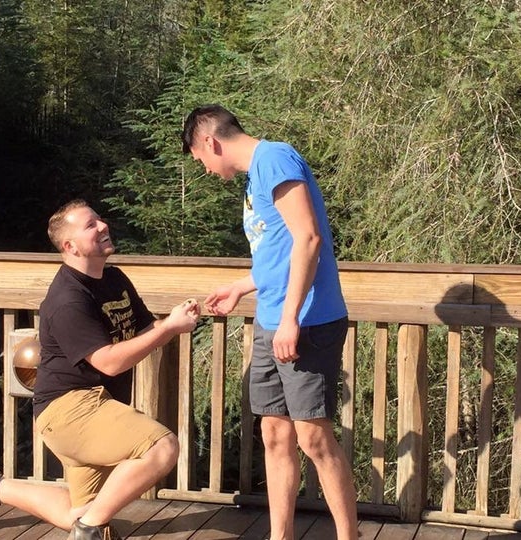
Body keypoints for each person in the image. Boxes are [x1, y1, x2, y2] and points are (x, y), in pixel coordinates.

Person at [0, 199, 201, 540]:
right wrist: (169, 328)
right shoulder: (67, 299)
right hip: (69, 410)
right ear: (69, 246)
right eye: (91, 225)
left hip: (96, 406)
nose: (103, 226)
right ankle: (88, 533)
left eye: (100, 220)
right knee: (161, 447)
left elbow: (146, 330)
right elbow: (109, 361)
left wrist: (177, 319)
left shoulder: (113, 278)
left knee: (80, 511)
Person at [182, 104, 358, 540]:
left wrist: (290, 319)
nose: (204, 168)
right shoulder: (255, 177)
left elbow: (309, 237)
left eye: (199, 158)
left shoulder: (274, 158)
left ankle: (349, 536)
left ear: (210, 141)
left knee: (313, 438)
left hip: (305, 321)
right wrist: (244, 285)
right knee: (275, 433)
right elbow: (279, 251)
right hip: (273, 320)